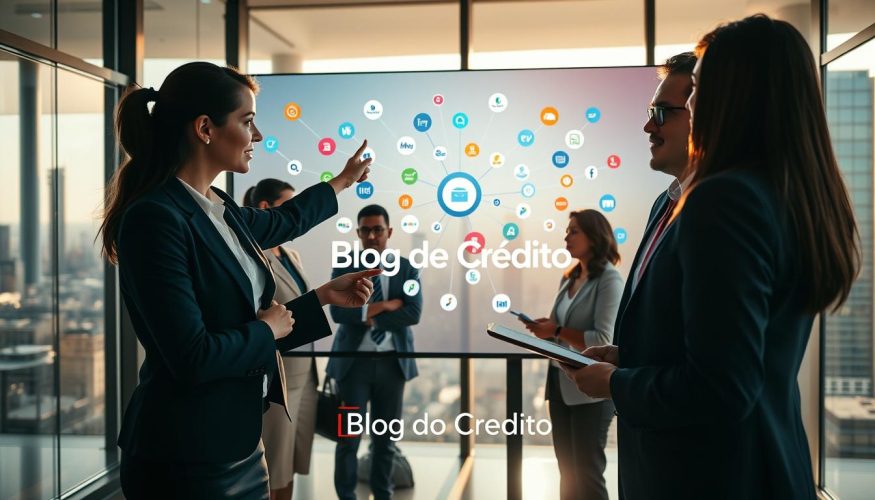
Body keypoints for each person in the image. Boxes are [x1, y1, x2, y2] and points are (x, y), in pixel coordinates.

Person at [561, 15, 859, 499]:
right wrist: (628, 359)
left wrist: (617, 385)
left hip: (710, 476)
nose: (694, 101)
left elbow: (721, 387)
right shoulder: (783, 196)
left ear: (732, 95)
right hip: (756, 468)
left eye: (698, 88)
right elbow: (729, 348)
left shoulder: (724, 201)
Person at [99, 61, 382, 499]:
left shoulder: (219, 208)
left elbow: (287, 220)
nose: (259, 136)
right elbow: (193, 356)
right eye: (247, 121)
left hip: (239, 443)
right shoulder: (155, 219)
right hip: (185, 457)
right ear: (205, 129)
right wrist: (266, 329)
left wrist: (323, 296)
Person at [520, 209, 622, 500]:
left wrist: (556, 329)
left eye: (574, 231)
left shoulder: (610, 280)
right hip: (559, 383)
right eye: (567, 231)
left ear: (595, 236)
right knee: (567, 472)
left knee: (587, 474)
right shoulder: (570, 277)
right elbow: (559, 328)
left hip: (591, 391)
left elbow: (602, 339)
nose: (566, 237)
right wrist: (547, 329)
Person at [326, 204, 423, 500]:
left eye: (377, 229)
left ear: (388, 232)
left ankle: (383, 495)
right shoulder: (345, 266)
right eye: (365, 230)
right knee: (348, 439)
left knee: (385, 441)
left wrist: (369, 316)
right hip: (353, 366)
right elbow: (338, 313)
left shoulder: (406, 268)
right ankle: (346, 496)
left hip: (393, 366)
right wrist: (385, 305)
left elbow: (413, 313)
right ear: (358, 233)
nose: (371, 236)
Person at [243, 179, 317, 500]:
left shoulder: (290, 253)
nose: (297, 215)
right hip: (279, 375)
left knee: (293, 461)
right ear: (266, 208)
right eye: (290, 205)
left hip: (306, 373)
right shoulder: (252, 256)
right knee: (275, 465)